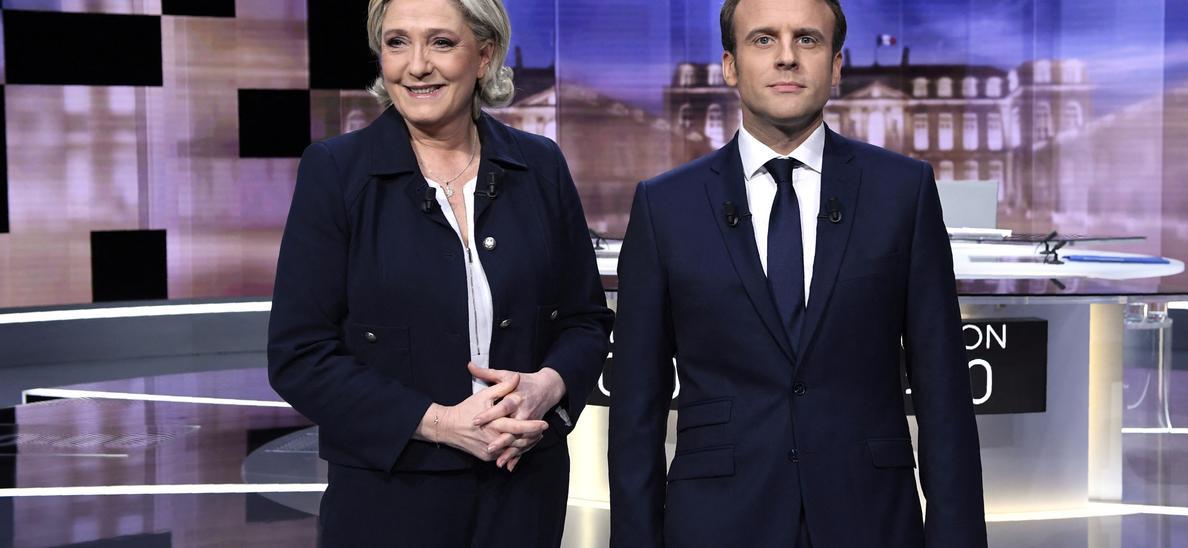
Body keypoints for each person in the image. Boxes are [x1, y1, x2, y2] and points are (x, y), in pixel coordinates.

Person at [607, 0, 986, 546]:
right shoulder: (665, 206)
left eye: (807, 39)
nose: (787, 58)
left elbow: (944, 392)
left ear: (835, 65)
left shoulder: (903, 193)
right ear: (730, 65)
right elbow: (635, 411)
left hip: (869, 518)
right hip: (717, 521)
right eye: (763, 40)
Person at [267, 0, 612, 545]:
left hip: (524, 488)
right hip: (389, 498)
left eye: (441, 43)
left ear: (484, 55)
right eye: (397, 42)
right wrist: (441, 423)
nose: (417, 65)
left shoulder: (540, 165)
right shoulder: (335, 172)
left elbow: (586, 321)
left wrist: (546, 388)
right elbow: (300, 355)